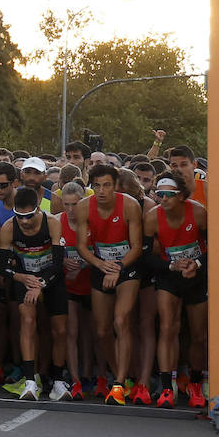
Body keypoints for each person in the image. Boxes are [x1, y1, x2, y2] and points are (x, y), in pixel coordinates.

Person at [76, 164, 144, 405]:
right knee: (102, 329)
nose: (102, 191)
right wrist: (100, 264)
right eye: (97, 186)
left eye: (106, 185)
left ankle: (118, 383)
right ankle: (122, 377)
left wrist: (117, 267)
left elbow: (136, 246)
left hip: (127, 266)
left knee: (121, 320)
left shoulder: (129, 205)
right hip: (100, 266)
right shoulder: (84, 207)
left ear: (115, 185)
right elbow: (82, 247)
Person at [0, 187, 67, 401]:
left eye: (29, 216)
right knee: (27, 321)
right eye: (20, 216)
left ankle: (57, 380)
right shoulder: (9, 227)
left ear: (37, 210)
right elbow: (1, 267)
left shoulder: (52, 222)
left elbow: (57, 262)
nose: (24, 221)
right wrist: (21, 278)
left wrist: (41, 283)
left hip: (50, 277)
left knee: (60, 329)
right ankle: (29, 381)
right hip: (25, 278)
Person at [145, 173, 208, 408]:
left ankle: (195, 384)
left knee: (198, 334)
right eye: (159, 194)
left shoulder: (199, 212)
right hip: (169, 275)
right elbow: (144, 256)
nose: (162, 199)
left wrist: (198, 264)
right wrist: (170, 265)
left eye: (168, 195)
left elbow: (216, 247)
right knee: (167, 328)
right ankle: (166, 387)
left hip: (195, 276)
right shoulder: (152, 218)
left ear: (181, 196)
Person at [56, 180, 93, 400]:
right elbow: (49, 253)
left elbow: (102, 251)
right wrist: (63, 263)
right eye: (67, 204)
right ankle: (75, 378)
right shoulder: (57, 222)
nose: (70, 210)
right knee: (71, 331)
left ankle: (90, 375)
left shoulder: (90, 222)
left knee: (91, 333)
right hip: (68, 284)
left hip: (89, 282)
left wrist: (86, 263)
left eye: (75, 204)